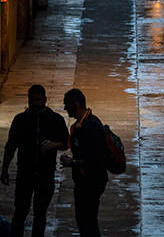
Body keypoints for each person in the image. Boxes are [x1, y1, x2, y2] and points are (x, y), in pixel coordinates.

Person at [0, 85, 70, 237]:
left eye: (39, 100)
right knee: (20, 212)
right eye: (33, 101)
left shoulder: (55, 120)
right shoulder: (20, 120)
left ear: (45, 100)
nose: (36, 104)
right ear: (28, 100)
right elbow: (10, 146)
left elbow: (66, 142)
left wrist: (55, 144)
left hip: (45, 175)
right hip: (25, 174)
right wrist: (4, 170)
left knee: (40, 214)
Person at [61, 89, 108, 237]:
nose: (65, 108)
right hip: (84, 181)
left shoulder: (91, 126)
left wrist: (72, 162)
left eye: (67, 105)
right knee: (85, 221)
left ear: (76, 104)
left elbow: (94, 159)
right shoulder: (81, 125)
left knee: (87, 222)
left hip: (91, 182)